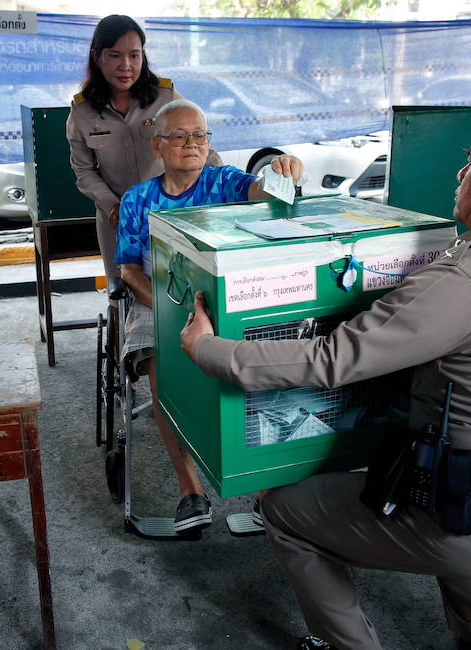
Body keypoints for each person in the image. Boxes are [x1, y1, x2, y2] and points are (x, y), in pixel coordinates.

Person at [180, 98, 471, 649]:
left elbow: (330, 359)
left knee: (284, 512)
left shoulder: (470, 278)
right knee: (456, 480)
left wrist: (209, 348)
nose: (460, 173)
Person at [118, 98, 304, 532]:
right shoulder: (137, 200)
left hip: (227, 299)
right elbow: (128, 268)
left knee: (256, 364)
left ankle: (264, 493)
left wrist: (280, 169)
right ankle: (191, 493)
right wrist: (168, 307)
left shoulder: (225, 183)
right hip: (158, 300)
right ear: (157, 147)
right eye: (179, 136)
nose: (191, 143)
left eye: (199, 135)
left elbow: (262, 190)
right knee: (160, 365)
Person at [66, 14, 221, 287]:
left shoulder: (165, 97)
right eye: (115, 55)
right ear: (97, 57)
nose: (126, 65)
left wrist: (226, 184)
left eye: (134, 55)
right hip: (116, 216)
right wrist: (113, 206)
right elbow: (84, 170)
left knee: (181, 287)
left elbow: (197, 143)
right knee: (124, 291)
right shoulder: (82, 111)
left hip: (173, 212)